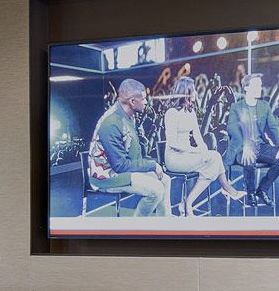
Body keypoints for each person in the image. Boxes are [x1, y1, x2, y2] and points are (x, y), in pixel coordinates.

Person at [86, 79, 170, 214]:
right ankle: (137, 229)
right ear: (132, 102)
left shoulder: (129, 116)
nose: (146, 102)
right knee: (156, 190)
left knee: (165, 180)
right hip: (107, 177)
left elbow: (132, 155)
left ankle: (165, 223)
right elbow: (120, 166)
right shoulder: (111, 122)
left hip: (123, 170)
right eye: (143, 99)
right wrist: (152, 166)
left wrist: (150, 166)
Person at [160, 77, 239, 215]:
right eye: (194, 90)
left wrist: (203, 149)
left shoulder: (190, 112)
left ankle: (187, 202)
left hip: (188, 154)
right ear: (186, 92)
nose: (196, 93)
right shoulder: (171, 113)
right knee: (214, 160)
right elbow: (172, 143)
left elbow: (198, 136)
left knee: (214, 158)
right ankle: (225, 188)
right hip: (174, 158)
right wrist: (195, 151)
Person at [224, 73, 279, 207]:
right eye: (256, 85)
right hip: (241, 147)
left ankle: (262, 190)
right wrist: (245, 146)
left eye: (260, 85)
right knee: (249, 158)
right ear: (246, 88)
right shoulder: (236, 107)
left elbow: (274, 126)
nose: (259, 88)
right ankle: (250, 193)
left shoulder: (264, 106)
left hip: (260, 146)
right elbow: (232, 129)